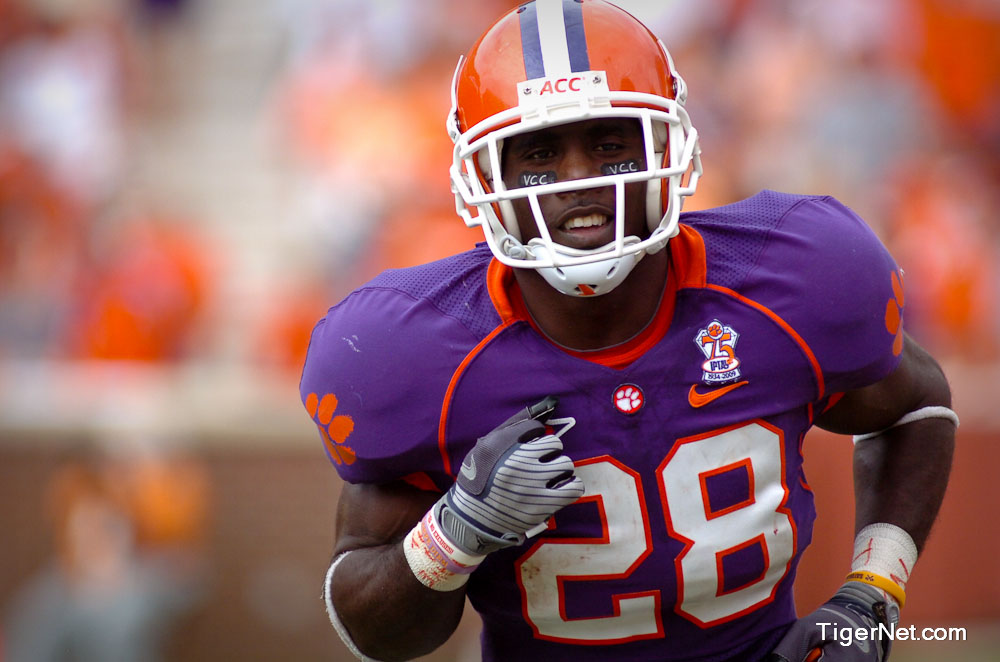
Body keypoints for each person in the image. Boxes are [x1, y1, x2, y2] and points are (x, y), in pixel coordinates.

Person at [299, 1, 956, 660]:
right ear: (484, 177)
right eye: (539, 153)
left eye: (610, 143)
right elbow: (377, 635)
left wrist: (869, 596)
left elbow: (917, 407)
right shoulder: (410, 352)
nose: (579, 180)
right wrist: (454, 531)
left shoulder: (792, 278)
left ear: (667, 145)